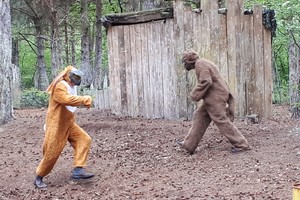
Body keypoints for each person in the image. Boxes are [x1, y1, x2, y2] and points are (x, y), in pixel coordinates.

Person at [176, 50, 251, 155]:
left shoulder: (200, 64)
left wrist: (194, 94)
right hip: (213, 96)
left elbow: (206, 81)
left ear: (189, 61)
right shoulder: (203, 62)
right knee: (199, 115)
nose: (185, 65)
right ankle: (189, 145)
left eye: (185, 62)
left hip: (216, 96)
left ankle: (242, 144)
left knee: (221, 119)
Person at [34, 66, 94, 188]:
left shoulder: (71, 86)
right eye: (74, 77)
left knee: (84, 140)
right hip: (56, 125)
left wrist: (82, 99)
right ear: (68, 76)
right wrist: (84, 99)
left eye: (78, 77)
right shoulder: (60, 86)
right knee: (52, 152)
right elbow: (67, 100)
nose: (76, 79)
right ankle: (39, 177)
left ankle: (78, 170)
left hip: (69, 123)